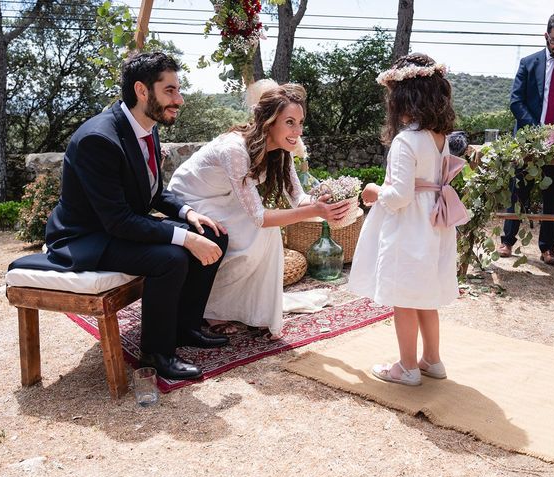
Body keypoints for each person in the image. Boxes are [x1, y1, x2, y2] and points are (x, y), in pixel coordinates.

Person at [45, 52, 230, 380]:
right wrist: (184, 237)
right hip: (87, 238)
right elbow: (116, 221)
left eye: (178, 90)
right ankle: (157, 353)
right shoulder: (98, 140)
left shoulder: (147, 127)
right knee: (171, 258)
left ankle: (185, 327)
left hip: (120, 226)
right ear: (143, 91)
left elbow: (154, 191)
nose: (180, 99)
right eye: (170, 90)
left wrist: (189, 215)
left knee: (214, 233)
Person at [167, 80, 349, 339]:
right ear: (269, 121)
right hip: (191, 198)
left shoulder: (281, 151)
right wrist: (315, 211)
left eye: (300, 123)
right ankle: (212, 309)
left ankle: (257, 312)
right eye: (289, 122)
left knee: (268, 235)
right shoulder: (235, 149)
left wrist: (328, 203)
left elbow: (299, 199)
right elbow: (260, 217)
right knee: (253, 233)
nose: (297, 131)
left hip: (224, 198)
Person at [348, 53, 469, 386]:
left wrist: (373, 191)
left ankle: (406, 367)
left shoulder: (406, 141)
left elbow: (400, 195)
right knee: (425, 297)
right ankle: (432, 360)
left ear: (402, 98)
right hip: (433, 222)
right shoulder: (439, 138)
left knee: (403, 298)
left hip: (410, 226)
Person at [498, 11, 554, 266]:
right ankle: (507, 241)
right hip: (528, 138)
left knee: (552, 193)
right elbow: (516, 102)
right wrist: (537, 132)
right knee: (518, 191)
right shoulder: (529, 63)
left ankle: (548, 248)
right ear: (546, 36)